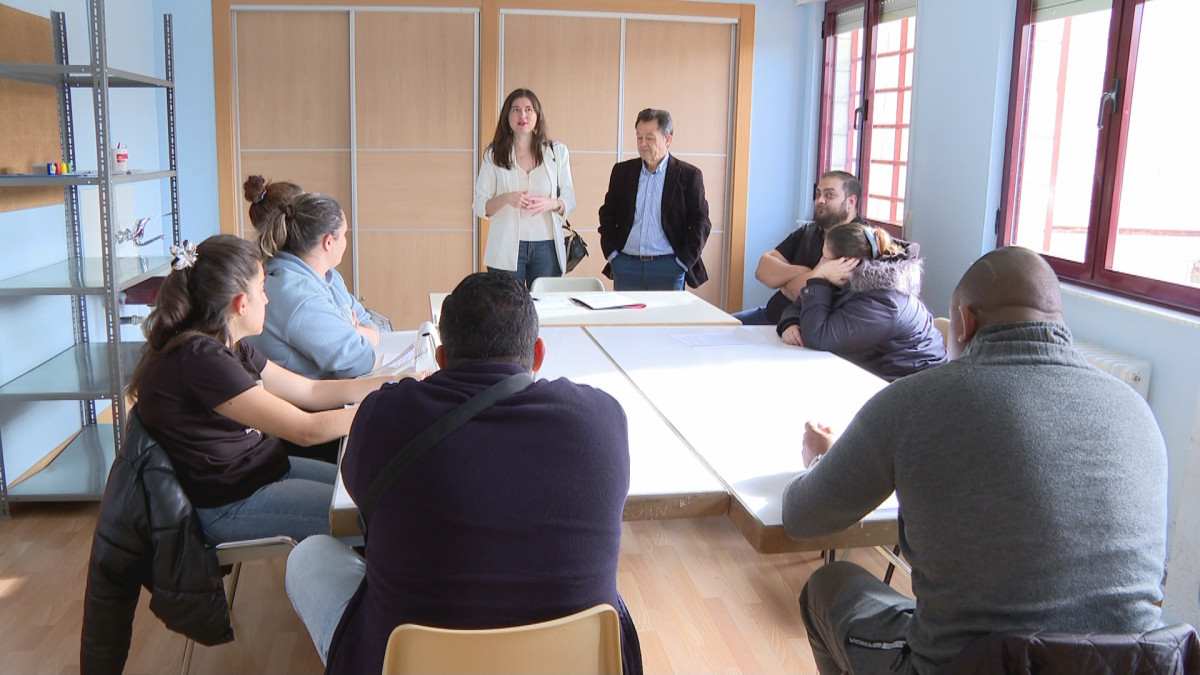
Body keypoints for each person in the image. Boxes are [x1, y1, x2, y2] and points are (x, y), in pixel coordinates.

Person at [783, 246, 1168, 674]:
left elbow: (802, 517)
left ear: (964, 322)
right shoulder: (1137, 412)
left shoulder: (916, 401)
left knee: (830, 585)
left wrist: (822, 461)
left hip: (969, 666)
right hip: (1128, 664)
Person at [285, 272, 642, 675]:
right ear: (538, 355)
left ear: (440, 359)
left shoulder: (384, 417)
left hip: (418, 664)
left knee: (309, 556)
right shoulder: (602, 419)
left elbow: (361, 495)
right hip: (570, 663)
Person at [128, 234, 413, 544]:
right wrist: (389, 408)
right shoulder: (202, 359)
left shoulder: (230, 345)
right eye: (263, 289)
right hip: (233, 502)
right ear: (241, 303)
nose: (267, 300)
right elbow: (305, 430)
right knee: (377, 512)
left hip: (264, 470)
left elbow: (311, 391)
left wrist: (397, 383)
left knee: (380, 490)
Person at [775, 221, 946, 381]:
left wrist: (818, 278)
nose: (821, 264)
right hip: (876, 370)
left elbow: (818, 337)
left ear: (847, 262)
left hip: (912, 382)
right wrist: (790, 323)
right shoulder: (846, 278)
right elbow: (798, 307)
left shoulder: (884, 302)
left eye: (825, 258)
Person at [242, 181, 378, 381]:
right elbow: (358, 361)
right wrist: (359, 335)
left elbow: (366, 320)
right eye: (344, 234)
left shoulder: (328, 275)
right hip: (312, 398)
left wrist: (356, 333)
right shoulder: (296, 294)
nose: (346, 241)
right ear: (328, 242)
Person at [472, 88, 576, 288]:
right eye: (516, 110)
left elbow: (569, 198)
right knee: (507, 305)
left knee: (545, 305)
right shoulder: (494, 154)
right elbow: (480, 205)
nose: (522, 115)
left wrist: (552, 203)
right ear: (507, 115)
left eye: (528, 109)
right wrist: (506, 198)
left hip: (547, 247)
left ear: (537, 115)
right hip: (506, 246)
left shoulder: (557, 152)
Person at [598, 108, 711, 291]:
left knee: (667, 312)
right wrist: (612, 254)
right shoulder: (622, 172)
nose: (643, 143)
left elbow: (701, 222)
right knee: (626, 311)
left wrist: (683, 262)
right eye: (639, 137)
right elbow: (607, 213)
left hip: (669, 266)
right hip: (626, 266)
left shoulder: (689, 176)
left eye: (650, 138)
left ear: (667, 139)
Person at [734, 171, 866, 325]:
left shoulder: (857, 242)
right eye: (818, 194)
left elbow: (801, 293)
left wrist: (783, 282)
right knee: (716, 328)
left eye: (830, 195)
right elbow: (762, 270)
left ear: (851, 201)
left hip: (797, 328)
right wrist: (809, 272)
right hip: (770, 315)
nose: (820, 200)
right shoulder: (809, 231)